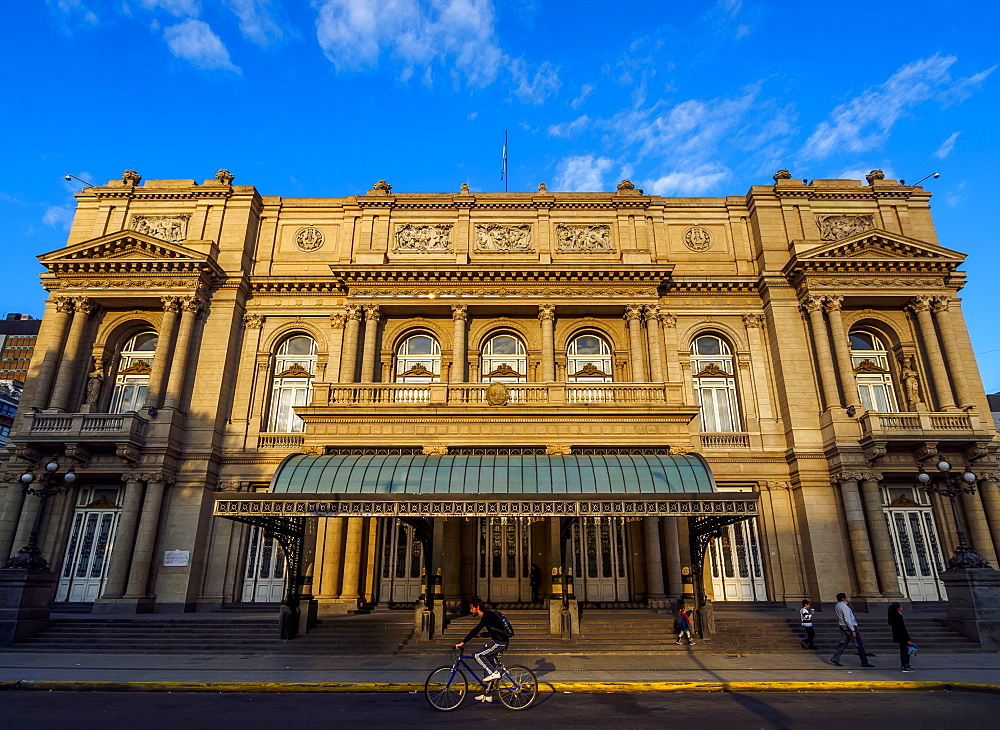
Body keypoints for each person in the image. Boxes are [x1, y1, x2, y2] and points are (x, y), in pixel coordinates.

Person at [455, 598, 511, 703]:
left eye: (472, 608)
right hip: (496, 640)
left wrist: (463, 642)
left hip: (500, 643)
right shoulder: (488, 616)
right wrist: (481, 635)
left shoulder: (487, 615)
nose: (471, 611)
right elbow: (494, 632)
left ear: (478, 608)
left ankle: (495, 673)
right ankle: (487, 694)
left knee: (477, 655)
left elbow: (476, 628)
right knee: (487, 662)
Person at [830, 593, 874, 667]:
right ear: (843, 599)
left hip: (842, 626)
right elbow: (847, 619)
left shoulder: (837, 605)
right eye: (846, 597)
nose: (847, 598)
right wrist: (853, 630)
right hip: (848, 627)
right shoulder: (844, 606)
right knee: (859, 645)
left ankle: (835, 657)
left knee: (843, 643)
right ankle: (864, 661)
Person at [888, 602, 915, 672]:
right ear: (898, 609)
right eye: (900, 607)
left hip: (900, 636)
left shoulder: (894, 615)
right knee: (905, 652)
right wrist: (908, 639)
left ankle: (906, 664)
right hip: (902, 637)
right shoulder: (898, 616)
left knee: (905, 651)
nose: (902, 608)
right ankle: (904, 665)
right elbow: (902, 628)